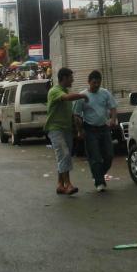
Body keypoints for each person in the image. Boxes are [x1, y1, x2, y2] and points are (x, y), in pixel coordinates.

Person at [72, 70, 117, 192]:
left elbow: (113, 107)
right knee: (95, 157)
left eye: (98, 82)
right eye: (94, 82)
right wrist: (79, 130)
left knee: (109, 155)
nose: (96, 85)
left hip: (104, 127)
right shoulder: (83, 96)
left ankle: (98, 174)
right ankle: (99, 182)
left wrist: (113, 119)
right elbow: (76, 115)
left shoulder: (105, 93)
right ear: (89, 82)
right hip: (90, 129)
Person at [45, 67, 88, 195]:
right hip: (55, 129)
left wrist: (77, 126)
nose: (72, 80)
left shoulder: (65, 91)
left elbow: (70, 112)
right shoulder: (55, 91)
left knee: (64, 156)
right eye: (71, 77)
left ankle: (60, 184)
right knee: (64, 154)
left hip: (67, 129)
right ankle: (68, 184)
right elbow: (67, 98)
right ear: (64, 78)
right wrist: (82, 95)